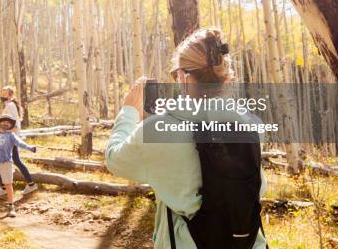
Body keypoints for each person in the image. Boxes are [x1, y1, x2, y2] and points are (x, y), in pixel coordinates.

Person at [105, 28, 268, 248]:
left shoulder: (157, 130)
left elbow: (115, 160)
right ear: (226, 78)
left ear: (183, 77)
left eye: (175, 74)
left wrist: (129, 112)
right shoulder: (254, 126)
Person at [0, 86, 38, 198]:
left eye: (5, 93)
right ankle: (29, 184)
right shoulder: (9, 105)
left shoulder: (11, 105)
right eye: (2, 93)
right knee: (13, 161)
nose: (2, 95)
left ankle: (4, 188)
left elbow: (15, 126)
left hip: (10, 139)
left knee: (1, 161)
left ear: (10, 95)